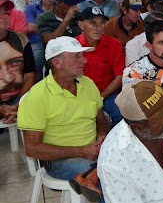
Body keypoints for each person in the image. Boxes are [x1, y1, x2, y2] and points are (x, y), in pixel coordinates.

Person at [18, 36, 109, 182]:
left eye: (82, 55)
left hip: (93, 151)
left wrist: (101, 136)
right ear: (57, 63)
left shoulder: (88, 84)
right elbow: (32, 149)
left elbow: (100, 118)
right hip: (60, 159)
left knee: (129, 166)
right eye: (76, 56)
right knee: (106, 175)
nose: (84, 60)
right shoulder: (37, 96)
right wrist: (81, 151)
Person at [76, 7, 124, 126]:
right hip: (79, 94)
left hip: (107, 94)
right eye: (93, 23)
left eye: (102, 23)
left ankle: (113, 142)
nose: (98, 28)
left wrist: (101, 97)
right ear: (81, 25)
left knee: (121, 114)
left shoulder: (114, 44)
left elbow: (119, 76)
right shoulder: (73, 46)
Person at [0, 0, 35, 124]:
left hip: (18, 97)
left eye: (5, 13)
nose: (4, 17)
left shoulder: (20, 40)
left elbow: (29, 75)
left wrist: (19, 104)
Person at [25, 0, 58, 81]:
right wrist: (51, 29)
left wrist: (42, 27)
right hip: (37, 41)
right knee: (36, 59)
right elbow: (31, 27)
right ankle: (36, 87)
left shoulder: (59, 8)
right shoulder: (31, 8)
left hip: (55, 41)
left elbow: (36, 27)